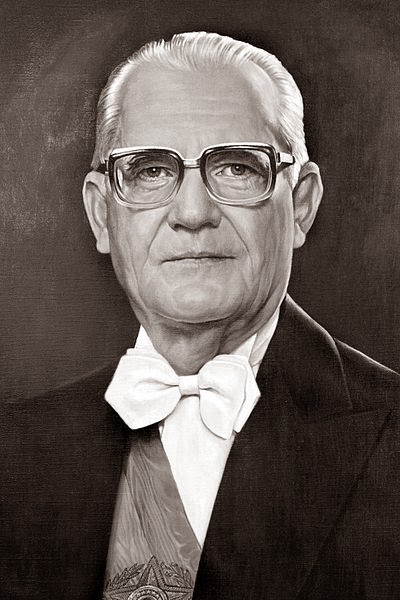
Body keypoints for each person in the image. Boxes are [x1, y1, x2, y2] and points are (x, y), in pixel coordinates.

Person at [1, 31, 399, 600]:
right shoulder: (14, 451)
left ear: (301, 204)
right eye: (150, 171)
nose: (192, 212)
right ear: (101, 215)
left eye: (236, 167)